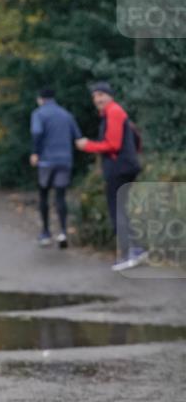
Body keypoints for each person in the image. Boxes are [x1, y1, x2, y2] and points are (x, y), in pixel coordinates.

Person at [75, 81, 147, 272]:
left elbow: (112, 144)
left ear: (110, 96)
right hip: (124, 166)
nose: (97, 99)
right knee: (120, 208)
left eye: (101, 95)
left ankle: (130, 253)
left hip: (120, 169)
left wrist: (88, 145)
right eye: (95, 97)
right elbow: (133, 140)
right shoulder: (113, 113)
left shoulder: (114, 112)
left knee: (117, 210)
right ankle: (136, 249)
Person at [29, 88, 81, 249]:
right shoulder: (66, 114)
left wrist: (35, 153)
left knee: (44, 194)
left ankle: (45, 232)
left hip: (46, 161)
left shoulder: (38, 114)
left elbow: (37, 133)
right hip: (64, 160)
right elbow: (77, 137)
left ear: (40, 99)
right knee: (61, 196)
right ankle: (63, 231)